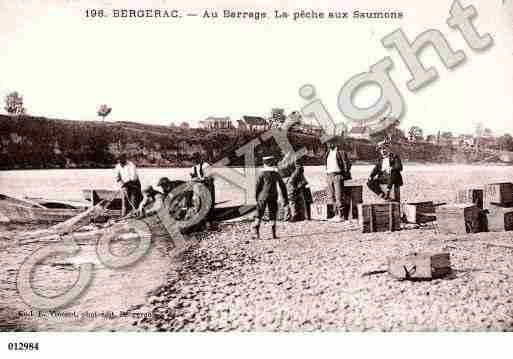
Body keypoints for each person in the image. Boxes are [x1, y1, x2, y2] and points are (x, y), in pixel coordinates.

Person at [253, 156, 289, 239]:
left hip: (262, 196)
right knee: (273, 213)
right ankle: (273, 235)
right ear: (272, 163)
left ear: (264, 163)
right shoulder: (276, 174)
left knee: (259, 214)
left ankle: (257, 234)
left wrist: (256, 198)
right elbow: (282, 186)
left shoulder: (261, 173)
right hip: (273, 196)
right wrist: (285, 198)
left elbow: (257, 187)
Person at [323, 137, 351, 222]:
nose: (329, 144)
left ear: (335, 143)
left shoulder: (341, 152)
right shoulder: (327, 153)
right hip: (329, 176)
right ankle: (336, 214)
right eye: (327, 143)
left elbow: (348, 164)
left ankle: (341, 215)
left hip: (337, 175)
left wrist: (343, 174)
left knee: (339, 196)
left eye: (330, 143)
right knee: (331, 197)